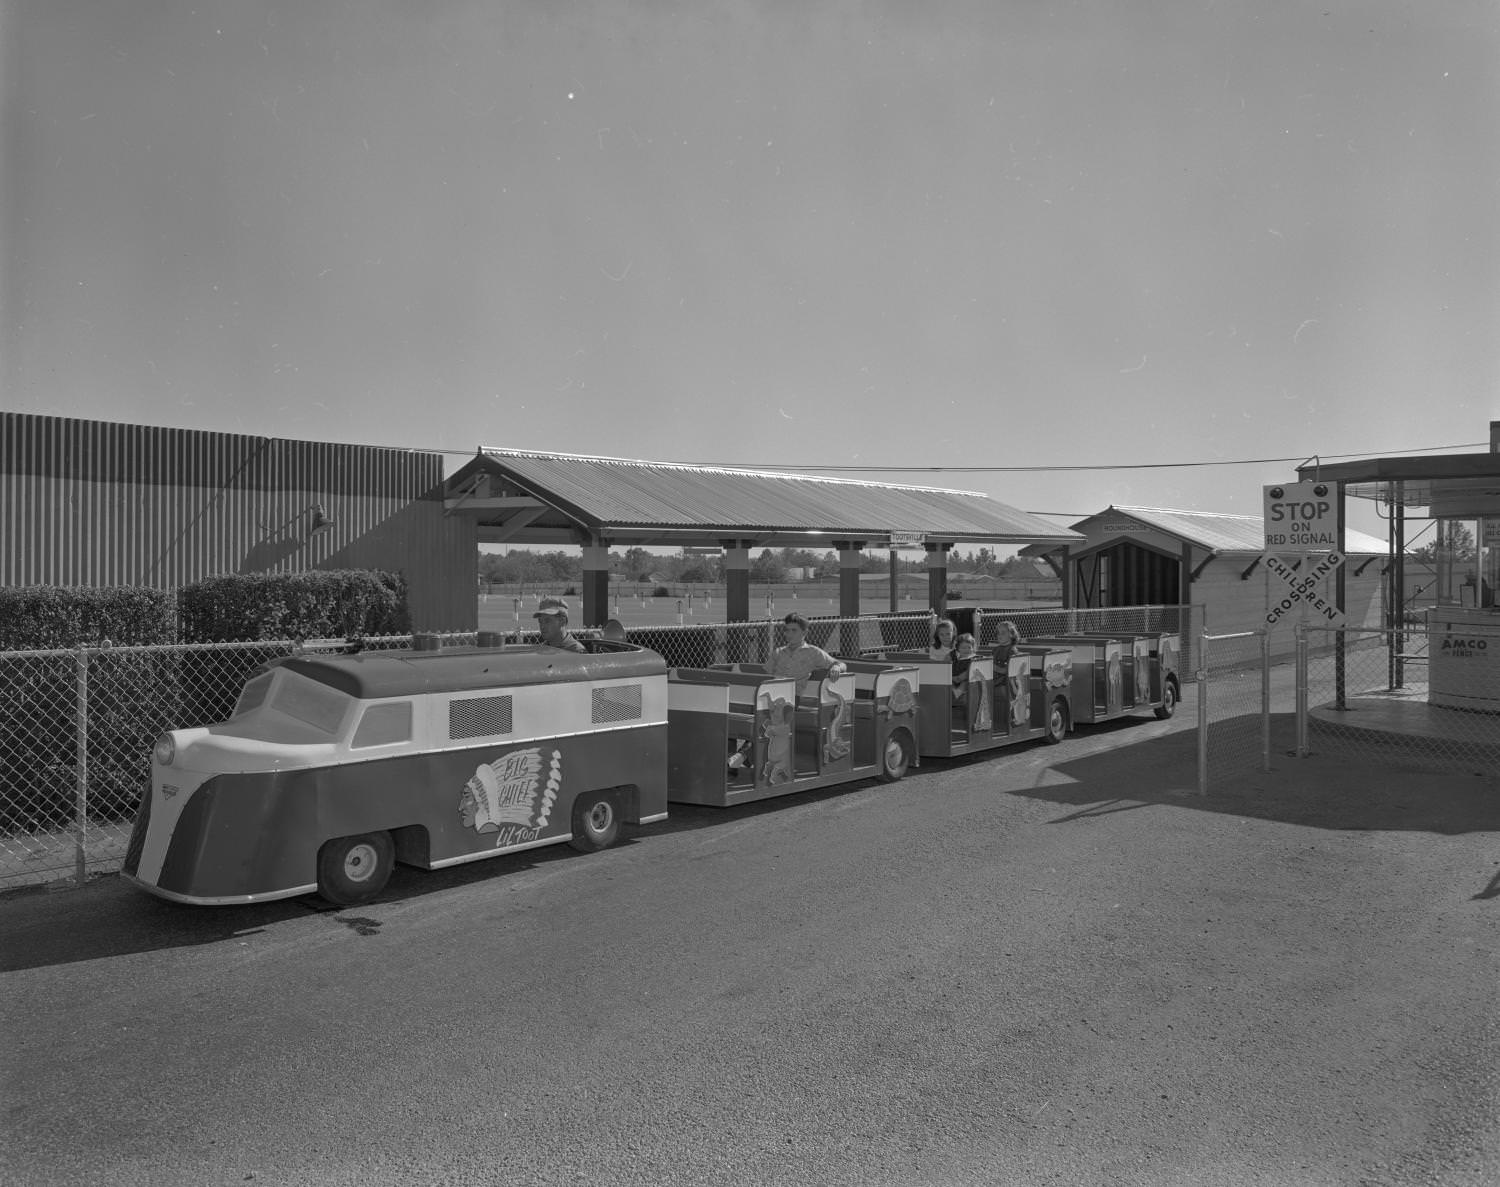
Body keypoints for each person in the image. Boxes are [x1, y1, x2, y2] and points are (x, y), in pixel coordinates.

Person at [769, 612, 845, 698]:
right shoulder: (778, 652)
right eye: (787, 630)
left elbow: (841, 664)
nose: (789, 634)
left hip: (792, 698)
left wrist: (836, 667)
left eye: (794, 630)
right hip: (773, 693)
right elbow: (765, 675)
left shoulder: (813, 652)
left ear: (804, 632)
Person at [951, 632, 977, 702]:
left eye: (969, 647)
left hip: (966, 680)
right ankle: (954, 691)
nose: (966, 650)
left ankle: (958, 692)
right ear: (958, 649)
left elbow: (972, 670)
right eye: (963, 648)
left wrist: (960, 677)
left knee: (965, 683)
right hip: (955, 679)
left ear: (973, 648)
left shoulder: (973, 659)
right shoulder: (956, 659)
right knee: (949, 682)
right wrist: (954, 678)